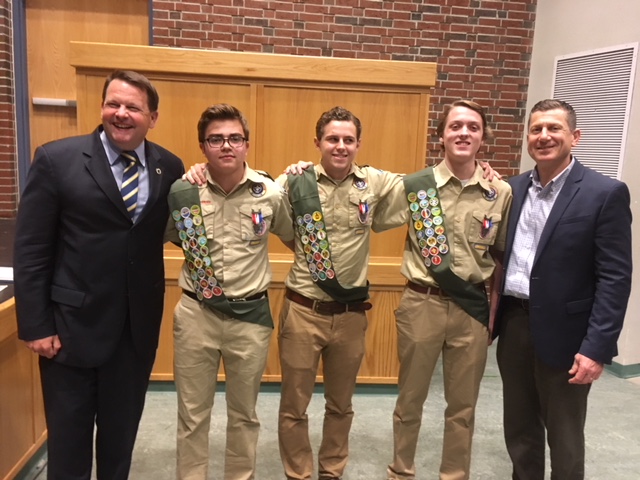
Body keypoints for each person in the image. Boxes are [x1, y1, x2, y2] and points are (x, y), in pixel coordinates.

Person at [13, 70, 185, 479]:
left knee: (120, 444)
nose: (121, 114)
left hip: (134, 334)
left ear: (153, 117)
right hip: (69, 332)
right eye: (114, 104)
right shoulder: (57, 159)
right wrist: (36, 325)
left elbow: (187, 223)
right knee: (68, 447)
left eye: (133, 107)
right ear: (103, 106)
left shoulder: (169, 166)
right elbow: (32, 249)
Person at [494, 99, 632, 480]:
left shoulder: (604, 193)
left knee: (565, 436)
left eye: (554, 128)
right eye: (536, 129)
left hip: (569, 336)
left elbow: (615, 279)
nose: (544, 136)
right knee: (520, 429)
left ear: (575, 137)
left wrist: (596, 348)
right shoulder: (511, 188)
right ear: (527, 138)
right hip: (516, 325)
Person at [375, 100, 512, 480]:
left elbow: (500, 256)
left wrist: (494, 313)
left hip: (471, 308)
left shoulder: (498, 192)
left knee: (463, 406)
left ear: (482, 137)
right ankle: (400, 471)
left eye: (473, 127)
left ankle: (454, 474)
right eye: (455, 126)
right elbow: (376, 215)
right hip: (423, 303)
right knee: (410, 400)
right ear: (441, 136)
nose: (464, 133)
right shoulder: (416, 186)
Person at [167, 104, 295, 480]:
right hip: (196, 315)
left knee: (244, 415)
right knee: (192, 414)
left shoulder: (269, 192)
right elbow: (169, 236)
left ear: (247, 144)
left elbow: (293, 236)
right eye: (216, 139)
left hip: (249, 319)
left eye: (234, 138)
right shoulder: (184, 192)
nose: (227, 146)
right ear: (203, 146)